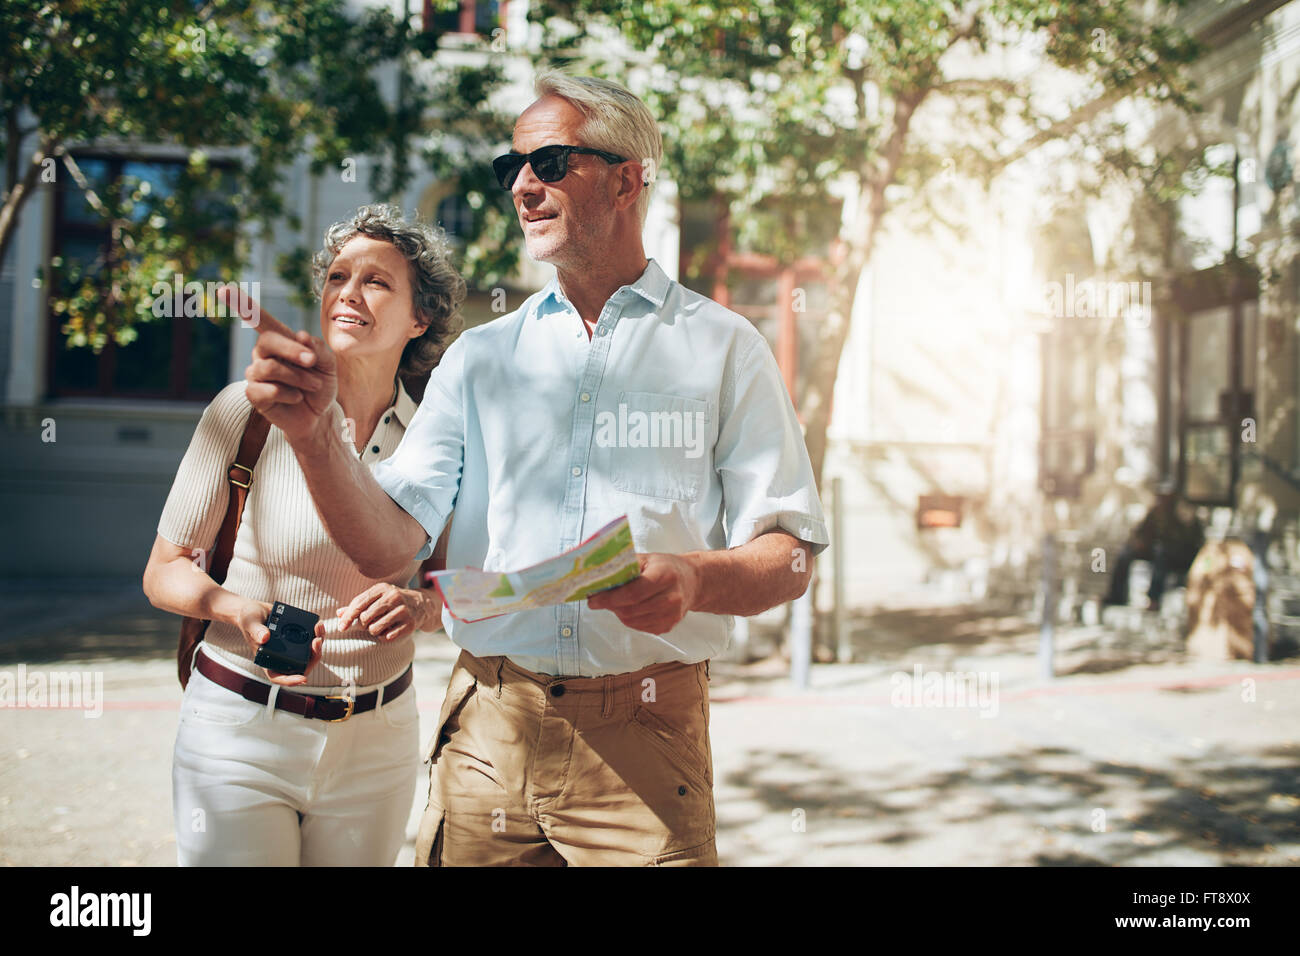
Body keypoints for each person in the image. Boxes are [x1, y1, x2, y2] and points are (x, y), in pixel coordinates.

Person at [244, 71, 830, 866]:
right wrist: (315, 438)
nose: (522, 185)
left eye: (550, 162)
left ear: (626, 180)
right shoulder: (480, 357)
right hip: (488, 726)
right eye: (509, 168)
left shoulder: (725, 348)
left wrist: (692, 578)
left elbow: (789, 555)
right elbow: (388, 550)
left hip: (646, 741)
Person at [142, 204, 463, 865]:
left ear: (420, 317)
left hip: (378, 740)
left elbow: (458, 585)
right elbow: (164, 568)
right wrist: (232, 608)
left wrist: (423, 606)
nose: (348, 292)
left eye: (376, 281)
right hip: (238, 730)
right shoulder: (248, 412)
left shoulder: (443, 435)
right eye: (337, 276)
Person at [1104, 485, 1204, 610]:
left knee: (1161, 553)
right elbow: (1141, 532)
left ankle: (1154, 599)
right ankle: (1116, 596)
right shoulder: (1155, 512)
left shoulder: (1184, 513)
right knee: (1125, 553)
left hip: (1179, 556)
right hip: (1157, 552)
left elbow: (1189, 541)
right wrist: (1139, 542)